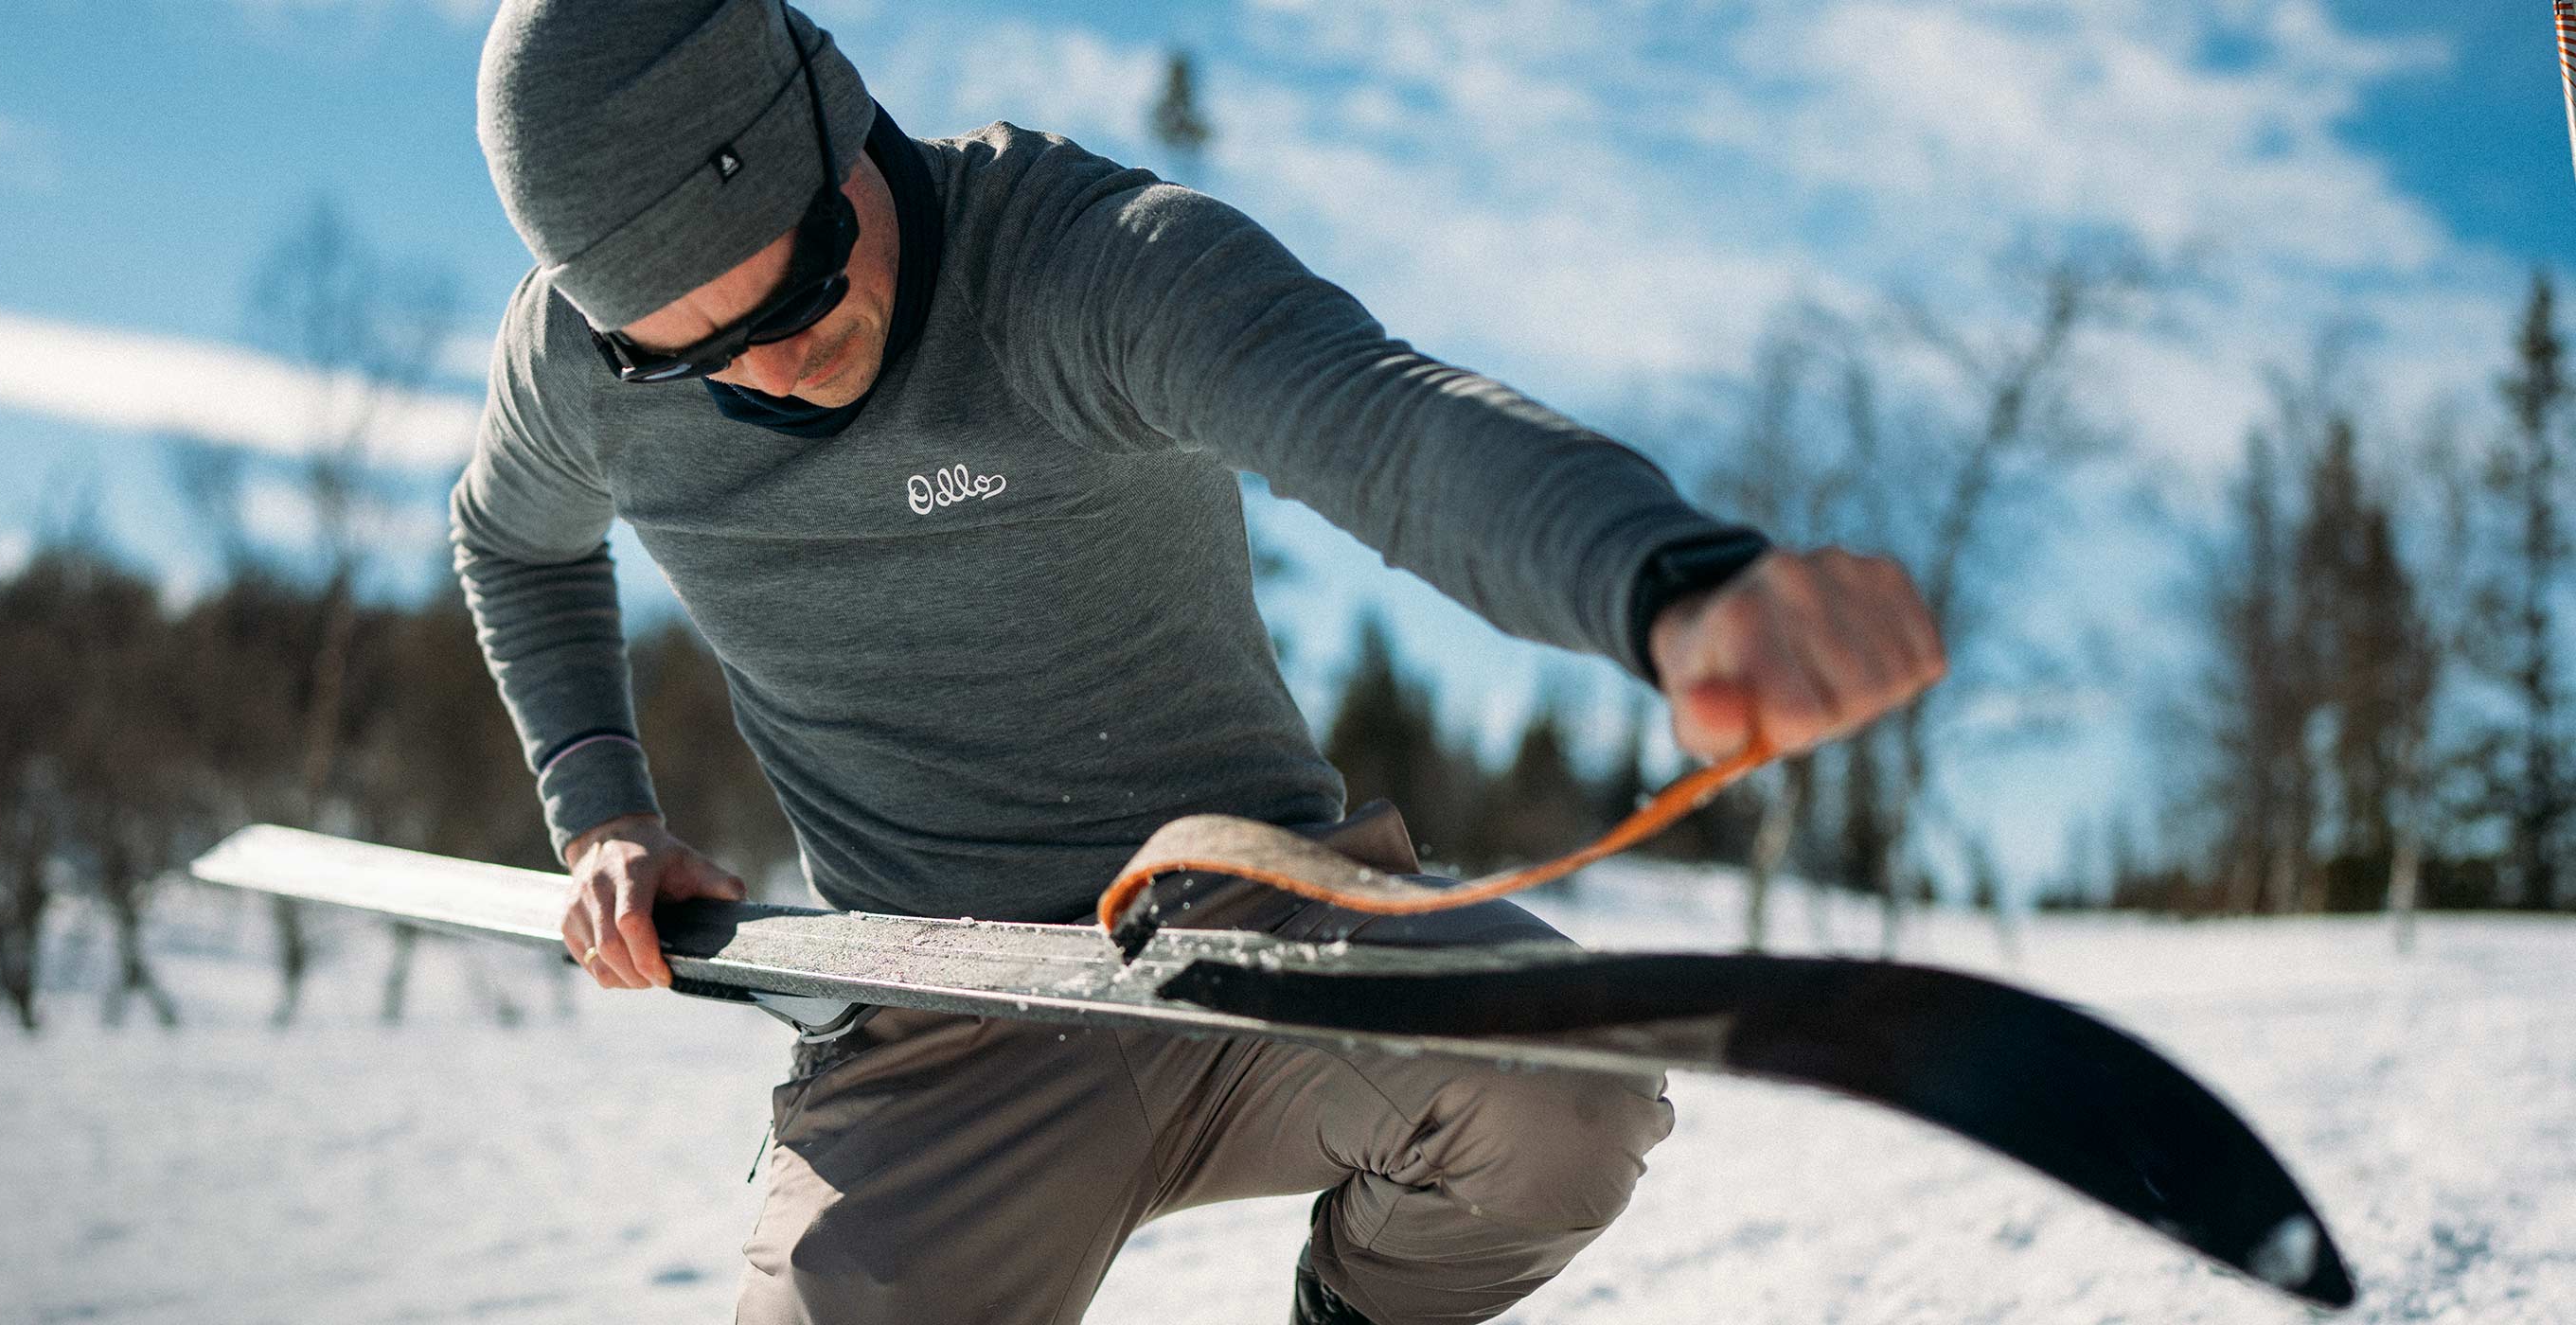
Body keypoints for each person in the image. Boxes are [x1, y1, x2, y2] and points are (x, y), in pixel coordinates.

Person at [452, 3, 1945, 1320]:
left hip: (1260, 930)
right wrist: (603, 809)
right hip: (939, 1004)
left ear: (828, 120)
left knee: (1565, 1091)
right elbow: (512, 540)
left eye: (790, 296)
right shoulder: (576, 370)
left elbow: (1386, 424)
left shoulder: (1080, 265)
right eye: (686, 353)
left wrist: (1667, 583)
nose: (763, 369)